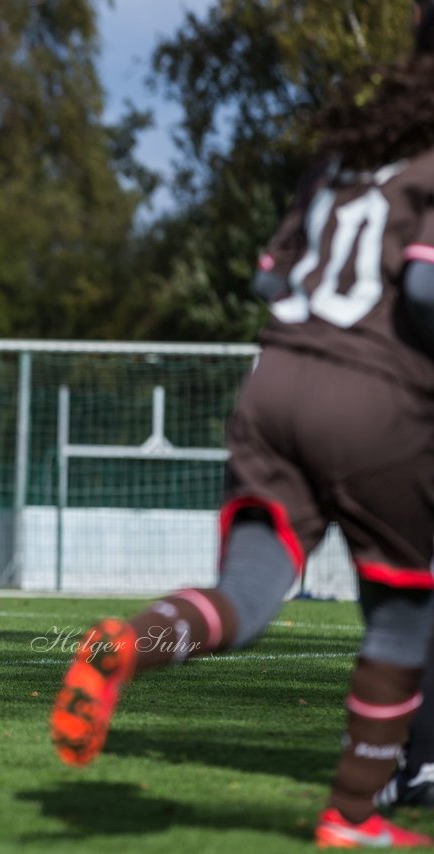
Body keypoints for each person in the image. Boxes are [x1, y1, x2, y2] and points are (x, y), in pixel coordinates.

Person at [50, 5, 434, 846]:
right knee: (405, 617)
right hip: (374, 399)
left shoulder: (351, 146)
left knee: (250, 599)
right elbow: (425, 293)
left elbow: (270, 277)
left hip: (274, 382)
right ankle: (352, 815)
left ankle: (130, 641)